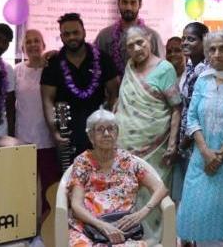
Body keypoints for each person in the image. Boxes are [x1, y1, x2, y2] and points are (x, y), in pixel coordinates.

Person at [177, 29, 223, 246]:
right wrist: (205, 152)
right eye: (212, 49)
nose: (217, 53)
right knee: (202, 223)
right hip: (202, 162)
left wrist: (219, 155)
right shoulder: (203, 79)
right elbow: (191, 118)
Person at [115, 25, 181, 241]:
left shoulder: (165, 69)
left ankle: (156, 243)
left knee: (154, 198)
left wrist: (172, 145)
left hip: (157, 151)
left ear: (150, 40)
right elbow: (123, 101)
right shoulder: (129, 67)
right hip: (125, 148)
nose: (136, 48)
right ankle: (132, 241)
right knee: (128, 197)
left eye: (140, 42)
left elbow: (176, 108)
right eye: (130, 46)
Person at [68, 109, 168, 247]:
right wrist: (102, 225)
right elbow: (76, 205)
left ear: (117, 133)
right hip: (89, 226)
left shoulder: (128, 161)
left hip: (124, 229)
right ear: (91, 136)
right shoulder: (82, 162)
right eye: (100, 130)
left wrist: (143, 212)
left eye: (111, 129)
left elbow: (161, 188)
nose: (107, 134)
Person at [42, 13, 119, 159]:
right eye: (66, 34)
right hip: (66, 131)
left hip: (99, 131)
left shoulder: (103, 59)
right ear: (61, 36)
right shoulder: (53, 63)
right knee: (70, 177)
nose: (71, 37)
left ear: (84, 32)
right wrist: (54, 132)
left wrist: (112, 128)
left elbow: (114, 95)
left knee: (100, 176)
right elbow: (47, 100)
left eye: (75, 32)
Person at [14, 29, 61, 230]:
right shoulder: (16, 70)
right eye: (29, 41)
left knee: (49, 185)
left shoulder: (51, 69)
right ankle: (25, 224)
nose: (33, 45)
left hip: (47, 137)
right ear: (23, 47)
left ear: (43, 45)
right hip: (22, 136)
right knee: (25, 184)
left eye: (37, 41)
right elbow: (10, 103)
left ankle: (47, 226)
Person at [172, 22, 209, 206]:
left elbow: (197, 110)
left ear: (205, 41)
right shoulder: (190, 67)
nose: (185, 42)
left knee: (198, 195)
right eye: (184, 38)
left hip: (196, 140)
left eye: (191, 39)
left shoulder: (205, 71)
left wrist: (184, 143)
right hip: (185, 139)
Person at [95, 0, 164, 75]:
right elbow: (96, 67)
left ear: (140, 4)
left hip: (144, 88)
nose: (128, 7)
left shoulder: (153, 37)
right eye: (124, 2)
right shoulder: (104, 36)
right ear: (118, 4)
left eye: (133, 2)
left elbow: (161, 71)